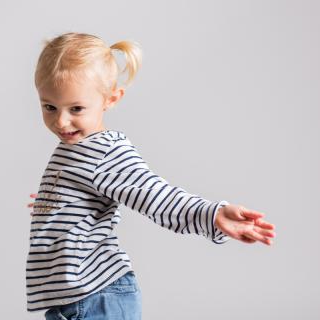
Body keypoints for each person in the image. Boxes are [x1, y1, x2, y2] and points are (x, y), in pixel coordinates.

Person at [25, 32, 276, 319]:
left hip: (96, 296)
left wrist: (213, 214)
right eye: (49, 107)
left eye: (76, 109)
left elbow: (154, 193)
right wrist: (55, 203)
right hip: (74, 299)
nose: (61, 120)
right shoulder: (74, 148)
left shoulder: (105, 150)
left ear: (110, 99)